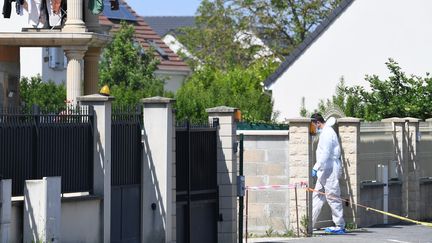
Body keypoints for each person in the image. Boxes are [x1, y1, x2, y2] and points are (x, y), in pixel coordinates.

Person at [310, 113, 345, 234]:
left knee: (333, 197)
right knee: (317, 196)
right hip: (324, 170)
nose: (313, 128)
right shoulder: (325, 132)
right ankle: (309, 223)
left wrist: (316, 167)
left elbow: (326, 153)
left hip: (330, 169)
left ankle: (340, 225)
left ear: (317, 123)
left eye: (313, 125)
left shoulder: (327, 133)